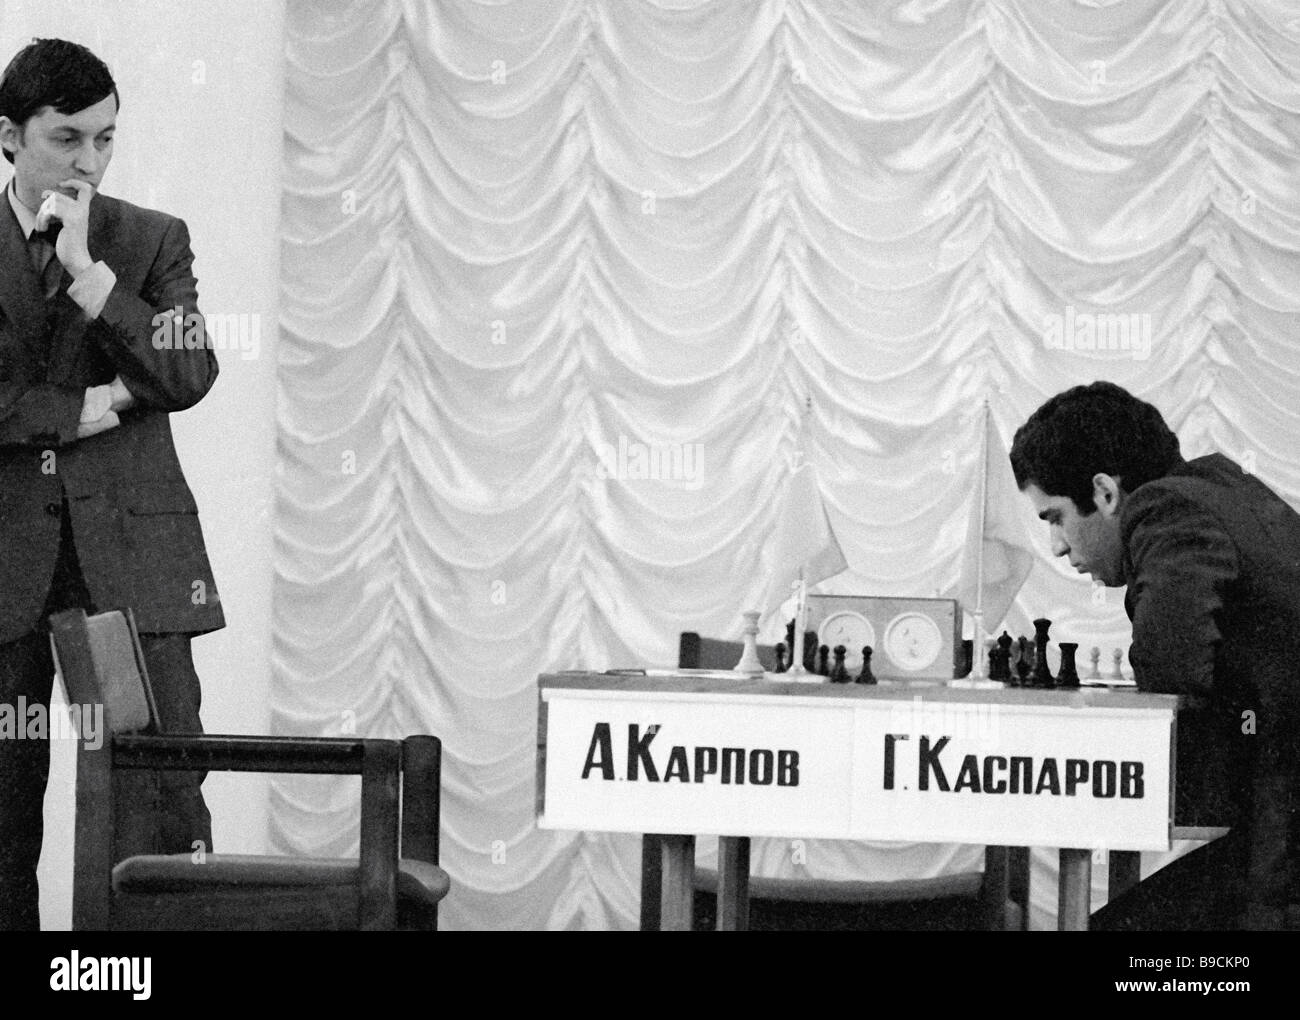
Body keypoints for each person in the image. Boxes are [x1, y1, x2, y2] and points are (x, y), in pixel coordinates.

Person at [0, 38, 224, 930]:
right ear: (10, 138)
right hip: (8, 565)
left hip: (135, 564)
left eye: (105, 139)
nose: (88, 162)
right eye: (67, 139)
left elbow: (189, 371)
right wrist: (96, 402)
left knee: (158, 820)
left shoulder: (148, 239)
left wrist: (95, 277)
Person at [1010, 380, 1298, 930]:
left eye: (1055, 517)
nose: (1058, 546)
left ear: (1105, 492)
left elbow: (1171, 668)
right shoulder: (1223, 490)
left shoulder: (1170, 510)